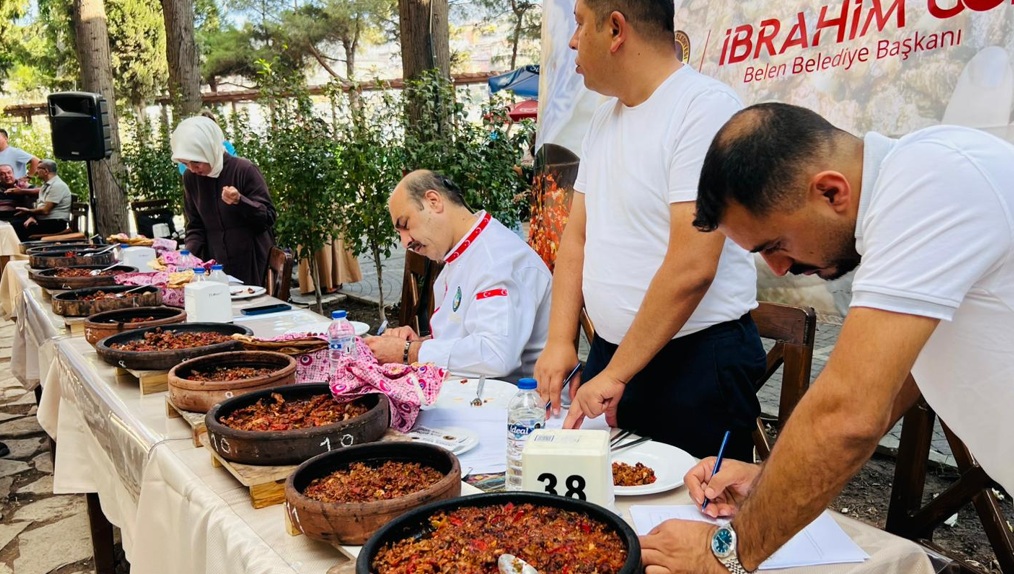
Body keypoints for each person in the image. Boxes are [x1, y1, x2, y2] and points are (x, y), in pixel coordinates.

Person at [637, 102, 1014, 573]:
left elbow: (848, 412)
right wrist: (774, 483)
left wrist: (726, 554)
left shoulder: (932, 181)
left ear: (831, 192)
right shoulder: (914, 186)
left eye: (774, 245)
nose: (776, 268)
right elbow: (893, 377)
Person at [534, 0, 764, 461]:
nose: (574, 40)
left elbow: (693, 265)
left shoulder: (703, 109)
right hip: (612, 357)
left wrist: (617, 373)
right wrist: (561, 340)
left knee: (695, 513)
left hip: (694, 362)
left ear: (616, 30)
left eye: (580, 26)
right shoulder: (604, 118)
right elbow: (576, 239)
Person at [365, 170, 552, 382]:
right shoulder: (465, 250)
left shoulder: (495, 259)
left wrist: (410, 352)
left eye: (405, 225)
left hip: (523, 404)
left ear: (434, 201)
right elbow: (468, 335)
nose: (405, 242)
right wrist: (419, 344)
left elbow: (495, 354)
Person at [171, 116, 276, 287]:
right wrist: (187, 258)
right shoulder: (191, 178)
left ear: (210, 150)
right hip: (215, 266)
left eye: (196, 162)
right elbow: (195, 225)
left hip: (253, 262)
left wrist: (240, 201)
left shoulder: (244, 170)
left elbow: (268, 217)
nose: (192, 169)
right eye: (185, 163)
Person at [14, 159, 72, 241]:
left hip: (54, 224)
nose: (36, 171)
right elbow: (40, 205)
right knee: (15, 225)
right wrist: (32, 217)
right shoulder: (46, 185)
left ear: (46, 171)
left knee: (16, 228)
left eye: (38, 168)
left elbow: (45, 211)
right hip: (44, 221)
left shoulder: (57, 185)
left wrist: (28, 211)